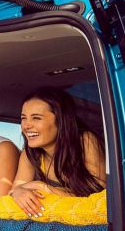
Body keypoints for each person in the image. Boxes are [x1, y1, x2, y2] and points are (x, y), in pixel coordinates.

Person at [11, 87, 105, 217]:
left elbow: (99, 197)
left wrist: (43, 187)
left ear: (61, 120)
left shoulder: (85, 140)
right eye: (23, 118)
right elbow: (15, 189)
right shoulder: (30, 153)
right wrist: (18, 192)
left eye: (36, 118)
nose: (26, 125)